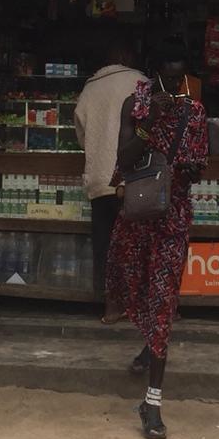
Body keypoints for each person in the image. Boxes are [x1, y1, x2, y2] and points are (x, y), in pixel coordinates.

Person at [107, 43, 208, 439]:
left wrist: (183, 164)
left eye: (179, 78)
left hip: (173, 219)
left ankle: (152, 403)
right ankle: (150, 343)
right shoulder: (134, 106)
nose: (173, 85)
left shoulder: (195, 113)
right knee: (136, 289)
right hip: (137, 218)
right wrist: (151, 123)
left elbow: (198, 168)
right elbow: (124, 157)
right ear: (155, 76)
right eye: (167, 78)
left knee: (163, 303)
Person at [73, 41, 145, 322]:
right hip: (133, 178)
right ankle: (138, 303)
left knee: (105, 244)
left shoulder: (90, 88)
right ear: (127, 56)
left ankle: (111, 306)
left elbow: (81, 135)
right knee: (137, 243)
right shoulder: (141, 83)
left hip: (101, 178)